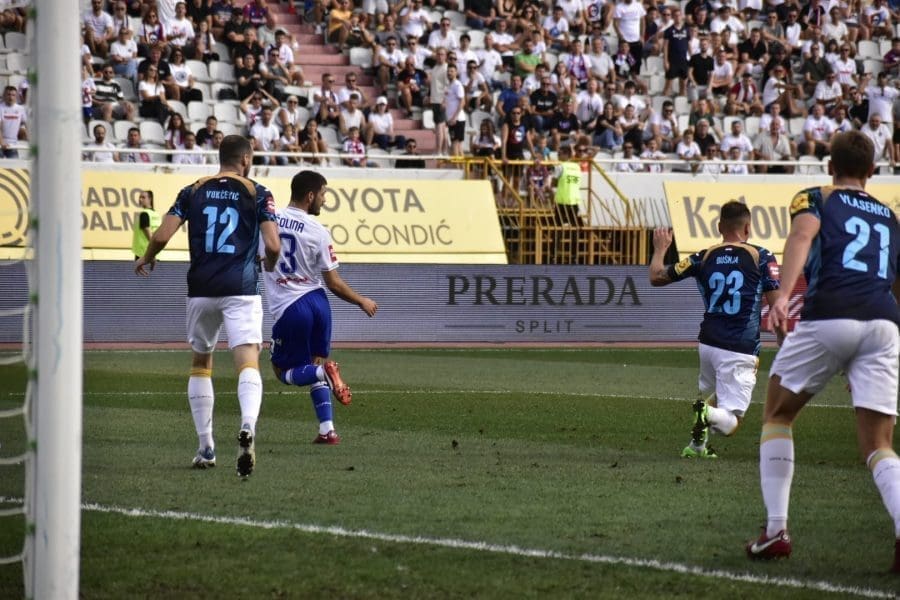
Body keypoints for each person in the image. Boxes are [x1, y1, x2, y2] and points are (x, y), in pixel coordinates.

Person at [745, 130, 900, 568]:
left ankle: (776, 531)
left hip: (831, 312)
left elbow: (801, 236)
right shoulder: (891, 217)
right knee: (879, 444)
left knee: (778, 414)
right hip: (884, 322)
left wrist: (781, 296)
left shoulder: (817, 196)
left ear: (830, 166)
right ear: (872, 171)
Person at [134, 135, 281, 477]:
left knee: (201, 362)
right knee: (248, 360)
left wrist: (147, 257)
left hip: (200, 288)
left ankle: (206, 447)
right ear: (246, 159)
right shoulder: (258, 192)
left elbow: (161, 235)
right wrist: (270, 263)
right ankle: (247, 425)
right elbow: (273, 245)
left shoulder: (193, 190)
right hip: (241, 288)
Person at [649, 201, 780, 459]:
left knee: (720, 395)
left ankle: (696, 446)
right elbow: (778, 307)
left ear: (719, 227)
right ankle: (706, 414)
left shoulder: (703, 256)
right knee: (732, 422)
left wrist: (660, 248)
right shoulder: (762, 256)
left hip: (708, 344)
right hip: (739, 347)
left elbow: (656, 277)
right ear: (748, 228)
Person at [262, 170, 378, 445]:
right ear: (310, 195)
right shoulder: (319, 232)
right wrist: (361, 300)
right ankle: (327, 430)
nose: (325, 200)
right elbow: (334, 283)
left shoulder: (268, 221)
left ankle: (324, 372)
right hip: (319, 303)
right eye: (323, 194)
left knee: (283, 372)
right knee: (312, 364)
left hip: (291, 308)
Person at [132, 190, 160, 259]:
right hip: (154, 253)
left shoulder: (144, 214)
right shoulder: (156, 214)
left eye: (143, 197)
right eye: (140, 197)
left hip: (143, 253)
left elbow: (148, 234)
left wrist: (152, 250)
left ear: (150, 199)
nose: (140, 199)